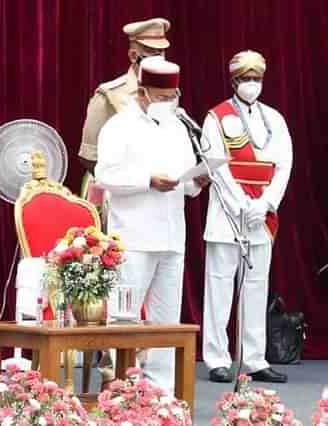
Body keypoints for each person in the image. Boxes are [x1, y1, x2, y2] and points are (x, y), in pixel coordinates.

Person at [95, 57, 204, 394]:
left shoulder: (177, 126)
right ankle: (119, 387)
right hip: (134, 235)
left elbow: (186, 178)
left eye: (171, 97)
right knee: (124, 316)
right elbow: (105, 175)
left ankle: (161, 391)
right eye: (159, 97)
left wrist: (198, 180)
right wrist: (147, 180)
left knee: (165, 319)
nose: (166, 103)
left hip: (172, 235)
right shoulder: (119, 126)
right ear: (141, 92)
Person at [201, 50, 292, 384]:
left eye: (257, 79)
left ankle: (254, 358)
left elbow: (284, 165)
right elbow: (215, 164)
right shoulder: (216, 117)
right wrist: (241, 201)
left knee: (256, 286)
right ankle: (217, 358)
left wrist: (266, 203)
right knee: (220, 285)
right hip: (228, 212)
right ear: (234, 81)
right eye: (246, 79)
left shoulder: (275, 119)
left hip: (261, 217)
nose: (252, 85)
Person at [78, 17, 170, 200]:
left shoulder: (170, 94)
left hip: (161, 195)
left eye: (162, 52)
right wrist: (132, 180)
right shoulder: (108, 95)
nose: (159, 59)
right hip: (119, 198)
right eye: (152, 53)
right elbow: (89, 156)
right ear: (134, 56)